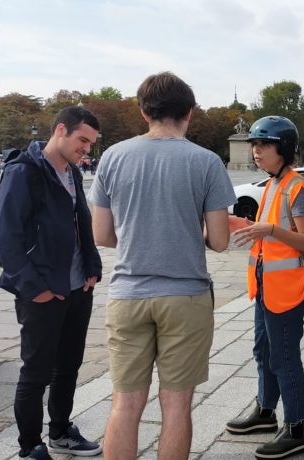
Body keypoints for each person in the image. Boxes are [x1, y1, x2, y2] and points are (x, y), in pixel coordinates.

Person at [88, 71, 236, 460]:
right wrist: (188, 233)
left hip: (128, 295)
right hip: (185, 297)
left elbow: (101, 235)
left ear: (143, 111)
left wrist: (142, 237)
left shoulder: (113, 157)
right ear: (189, 111)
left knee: (125, 404)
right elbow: (220, 241)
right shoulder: (205, 162)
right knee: (176, 405)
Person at [0, 106, 103, 460]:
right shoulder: (23, 172)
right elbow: (6, 240)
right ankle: (30, 446)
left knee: (69, 365)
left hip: (76, 288)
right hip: (42, 292)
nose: (87, 149)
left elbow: (81, 222)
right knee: (36, 371)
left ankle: (60, 431)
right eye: (82, 140)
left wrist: (92, 266)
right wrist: (33, 288)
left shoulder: (71, 170)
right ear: (61, 130)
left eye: (91, 143)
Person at [226, 116, 304, 459]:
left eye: (263, 145)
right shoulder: (273, 185)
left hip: (288, 290)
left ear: (283, 148)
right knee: (263, 353)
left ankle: (296, 428)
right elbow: (269, 231)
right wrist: (247, 225)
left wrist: (268, 230)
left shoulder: (298, 188)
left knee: (284, 358)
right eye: (253, 144)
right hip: (266, 286)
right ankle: (265, 413)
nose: (255, 151)